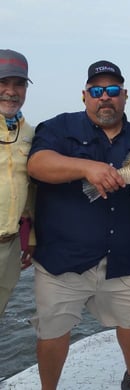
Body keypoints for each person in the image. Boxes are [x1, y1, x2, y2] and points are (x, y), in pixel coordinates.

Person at [27, 60, 130, 390]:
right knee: (52, 330)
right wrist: (87, 168)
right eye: (97, 91)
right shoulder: (57, 128)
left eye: (112, 91)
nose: (104, 97)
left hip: (125, 257)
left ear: (124, 95)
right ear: (84, 96)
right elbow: (38, 165)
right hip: (63, 260)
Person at [0, 49, 35, 316]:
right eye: (2, 82)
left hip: (10, 248)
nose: (11, 91)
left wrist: (30, 238)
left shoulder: (30, 134)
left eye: (19, 84)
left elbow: (29, 191)